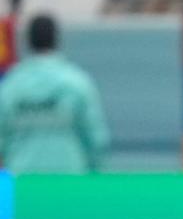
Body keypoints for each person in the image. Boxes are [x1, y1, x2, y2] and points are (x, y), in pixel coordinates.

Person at [0, 15, 110, 175]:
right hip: (68, 182)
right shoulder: (77, 83)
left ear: (28, 42)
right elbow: (96, 139)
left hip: (23, 184)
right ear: (57, 40)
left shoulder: (10, 86)